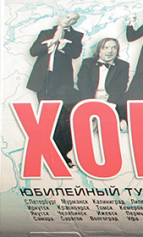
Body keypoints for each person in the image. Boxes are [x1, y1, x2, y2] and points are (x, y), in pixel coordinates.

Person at [27, 12, 83, 167]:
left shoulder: (76, 35)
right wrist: (50, 43)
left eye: (73, 19)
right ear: (61, 18)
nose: (69, 20)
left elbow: (75, 54)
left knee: (63, 118)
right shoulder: (45, 33)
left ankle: (62, 153)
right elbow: (33, 51)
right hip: (43, 82)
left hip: (62, 84)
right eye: (67, 17)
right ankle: (49, 154)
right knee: (47, 118)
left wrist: (64, 46)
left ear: (75, 22)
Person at [77, 38, 130, 130]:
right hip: (91, 98)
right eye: (106, 48)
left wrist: (109, 104)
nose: (110, 51)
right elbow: (83, 85)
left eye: (114, 48)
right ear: (99, 50)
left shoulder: (123, 65)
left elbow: (120, 87)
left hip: (110, 99)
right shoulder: (87, 63)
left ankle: (119, 119)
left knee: (129, 96)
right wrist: (93, 101)